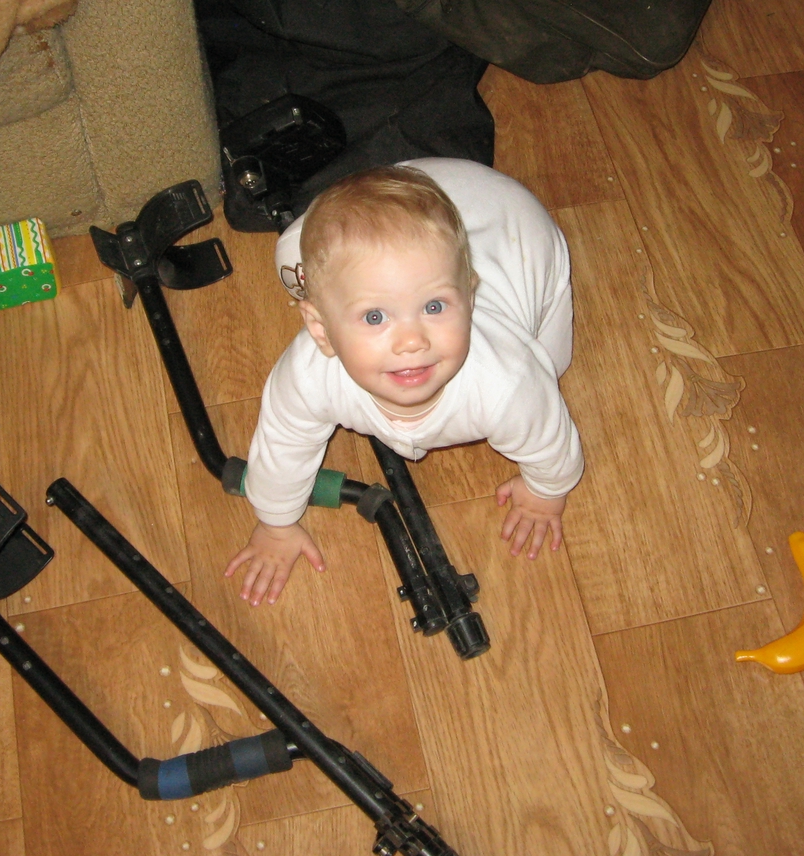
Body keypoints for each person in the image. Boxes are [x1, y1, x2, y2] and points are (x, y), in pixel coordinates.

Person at [225, 159, 583, 605]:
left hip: (517, 231)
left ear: (470, 298)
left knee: (551, 364)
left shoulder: (507, 383)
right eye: (375, 317)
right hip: (442, 199)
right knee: (316, 253)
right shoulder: (309, 375)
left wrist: (545, 492)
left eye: (435, 307)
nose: (412, 341)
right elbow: (283, 441)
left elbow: (550, 439)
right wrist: (276, 523)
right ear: (320, 331)